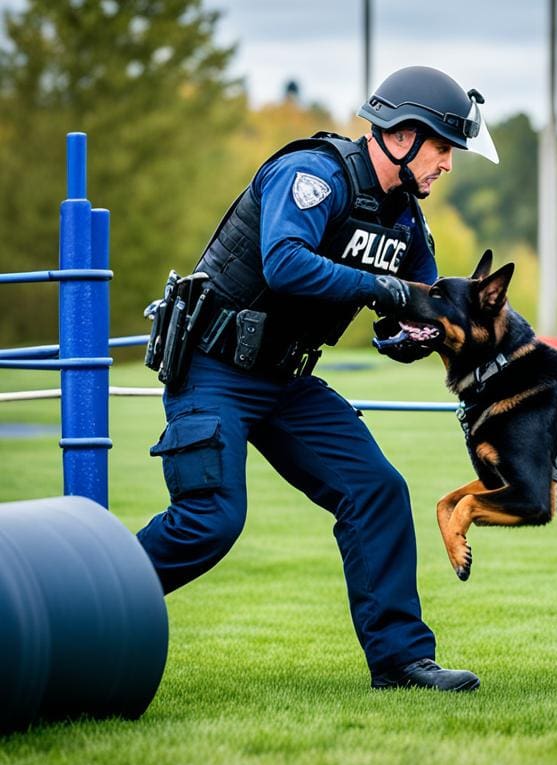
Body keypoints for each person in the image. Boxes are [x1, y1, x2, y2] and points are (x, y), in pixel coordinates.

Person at [137, 66, 500, 690]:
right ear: (405, 135)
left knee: (377, 490)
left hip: (288, 385)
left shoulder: (407, 222)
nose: (447, 164)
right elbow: (284, 265)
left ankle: (402, 663)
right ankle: (88, 598)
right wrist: (389, 290)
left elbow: (416, 304)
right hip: (214, 371)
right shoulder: (312, 175)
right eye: (444, 147)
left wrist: (407, 336)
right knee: (211, 519)